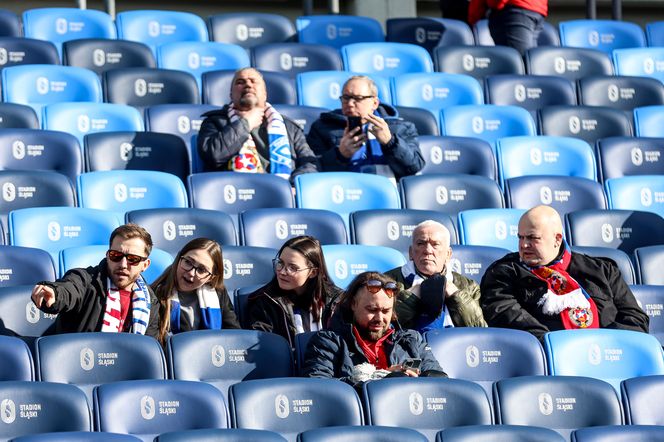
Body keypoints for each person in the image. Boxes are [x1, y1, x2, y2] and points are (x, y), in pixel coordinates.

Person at [481, 205, 649, 342]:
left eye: (532, 238)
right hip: (552, 362)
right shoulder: (503, 273)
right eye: (520, 237)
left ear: (557, 239)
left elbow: (636, 319)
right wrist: (560, 347)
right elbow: (507, 317)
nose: (524, 245)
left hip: (610, 357)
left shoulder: (603, 270)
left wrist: (605, 344)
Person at [302, 271, 447, 386]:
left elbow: (440, 380)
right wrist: (379, 379)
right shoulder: (329, 342)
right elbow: (319, 388)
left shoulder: (411, 340)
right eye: (371, 310)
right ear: (353, 304)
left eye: (386, 311)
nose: (379, 318)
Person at [197, 67, 318, 184]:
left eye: (254, 82)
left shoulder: (289, 127)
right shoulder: (215, 122)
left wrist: (290, 186)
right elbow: (213, 156)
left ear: (265, 94)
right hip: (236, 194)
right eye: (240, 82)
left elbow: (311, 164)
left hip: (283, 196)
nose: (248, 85)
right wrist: (246, 123)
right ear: (231, 95)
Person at [31, 224, 157, 335]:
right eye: (116, 256)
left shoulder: (150, 301)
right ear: (107, 256)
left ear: (145, 265)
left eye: (132, 259)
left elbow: (148, 349)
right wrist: (55, 293)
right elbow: (70, 288)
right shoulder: (86, 280)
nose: (123, 264)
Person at [306, 75, 424, 181]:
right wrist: (340, 155)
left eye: (358, 98)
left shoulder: (400, 128)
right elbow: (312, 171)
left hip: (389, 196)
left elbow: (413, 167)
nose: (350, 103)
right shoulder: (323, 128)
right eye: (346, 98)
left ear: (375, 103)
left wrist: (390, 142)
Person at [386, 220, 486, 332]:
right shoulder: (388, 282)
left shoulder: (469, 286)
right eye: (421, 244)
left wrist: (455, 294)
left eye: (435, 245)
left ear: (448, 254)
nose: (428, 250)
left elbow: (479, 330)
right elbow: (383, 327)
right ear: (411, 253)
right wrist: (412, 296)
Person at [246, 235, 342, 348]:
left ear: (313, 272)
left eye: (292, 267)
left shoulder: (337, 301)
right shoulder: (264, 301)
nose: (282, 272)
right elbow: (265, 351)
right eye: (280, 263)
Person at [149, 238, 240, 346]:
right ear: (179, 259)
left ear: (211, 277)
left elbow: (234, 336)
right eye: (188, 262)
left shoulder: (218, 293)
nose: (191, 273)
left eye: (201, 270)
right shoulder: (155, 295)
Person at [467, 0, 547, 55]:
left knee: (522, 67)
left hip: (515, 10)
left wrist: (473, 16)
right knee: (527, 66)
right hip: (535, 9)